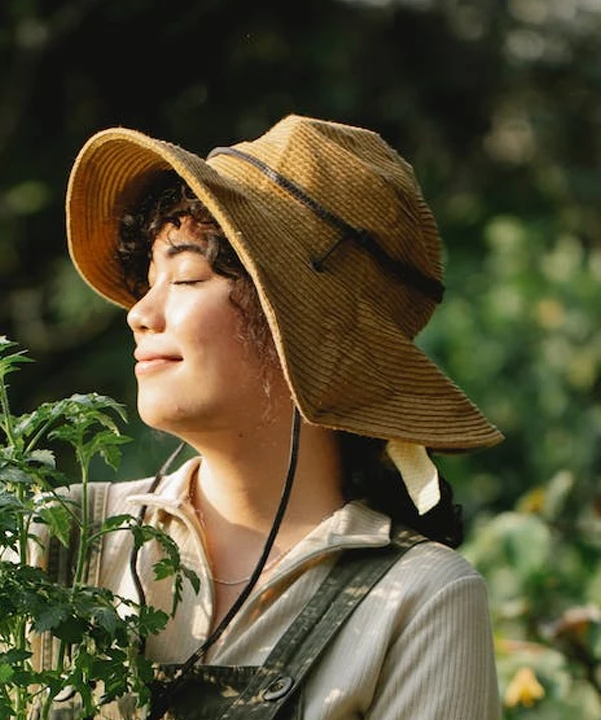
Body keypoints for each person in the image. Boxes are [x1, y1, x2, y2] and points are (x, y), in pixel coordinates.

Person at [51, 115, 504, 719]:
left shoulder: (419, 599)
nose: (141, 313)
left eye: (187, 276)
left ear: (302, 329)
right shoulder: (62, 541)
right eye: (148, 281)